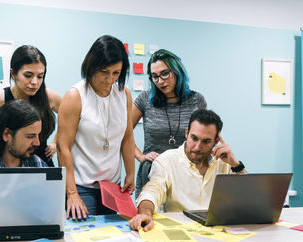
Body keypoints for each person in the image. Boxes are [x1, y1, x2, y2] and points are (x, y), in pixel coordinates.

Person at [129, 109, 246, 231]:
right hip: (181, 230)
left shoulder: (224, 163)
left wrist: (236, 165)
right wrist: (145, 214)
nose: (197, 147)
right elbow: (151, 192)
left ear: (216, 141)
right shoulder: (166, 161)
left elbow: (251, 198)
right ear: (186, 133)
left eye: (206, 142)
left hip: (218, 231)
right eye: (194, 138)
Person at [57, 35, 135, 219]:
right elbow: (63, 147)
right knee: (83, 239)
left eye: (116, 73)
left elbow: (128, 137)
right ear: (91, 66)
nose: (109, 79)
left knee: (114, 237)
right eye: (104, 71)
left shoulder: (124, 94)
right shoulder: (75, 96)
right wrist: (72, 193)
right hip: (81, 186)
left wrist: (130, 172)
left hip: (112, 186)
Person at [0, 45, 61, 166]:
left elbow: (70, 118)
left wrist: (56, 143)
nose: (34, 82)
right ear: (13, 74)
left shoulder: (49, 97)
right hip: (6, 167)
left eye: (40, 76)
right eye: (28, 75)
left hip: (41, 165)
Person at [132, 49, 207, 198]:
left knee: (184, 220)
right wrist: (140, 156)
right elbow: (123, 132)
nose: (160, 81)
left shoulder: (196, 100)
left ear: (177, 71)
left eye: (165, 73)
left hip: (186, 175)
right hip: (153, 174)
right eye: (155, 76)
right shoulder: (145, 99)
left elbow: (207, 135)